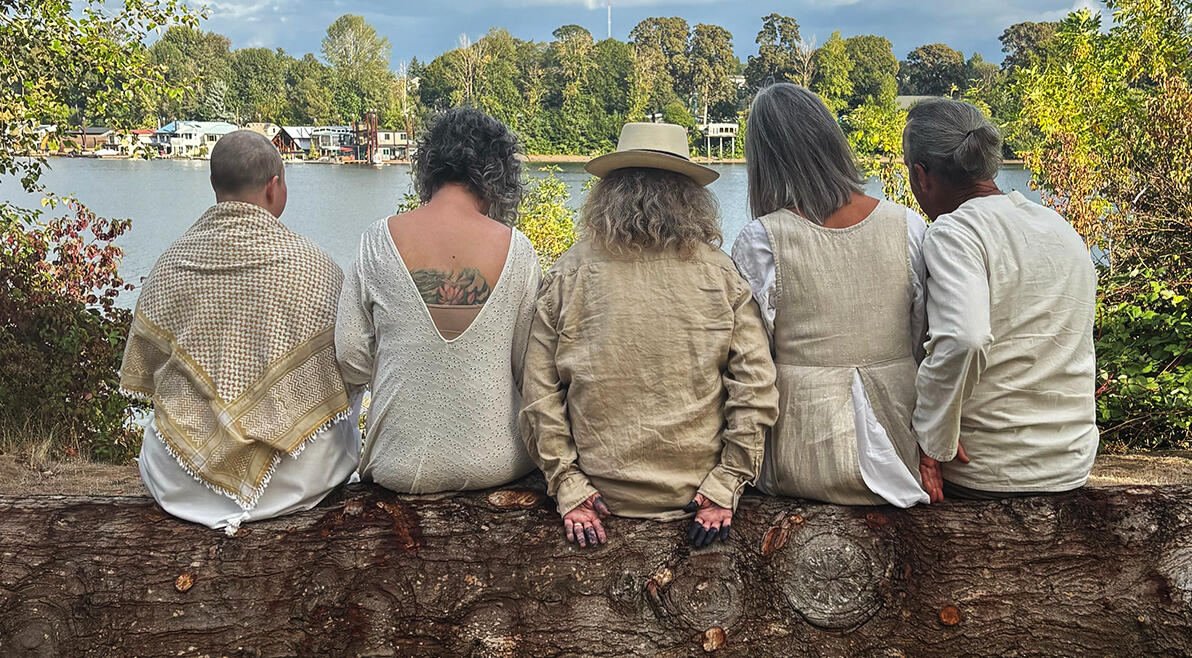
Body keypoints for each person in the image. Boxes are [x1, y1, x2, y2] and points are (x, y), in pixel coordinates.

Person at [519, 122, 779, 549]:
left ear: (609, 193)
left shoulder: (569, 272)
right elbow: (755, 386)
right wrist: (725, 485)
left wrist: (569, 486)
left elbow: (538, 392)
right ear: (690, 198)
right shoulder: (721, 275)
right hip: (697, 492)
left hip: (598, 492)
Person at [120, 130, 361, 535]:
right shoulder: (316, 267)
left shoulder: (170, 264)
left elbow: (149, 369)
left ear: (214, 183)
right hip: (296, 482)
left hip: (178, 482)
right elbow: (353, 367)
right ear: (274, 187)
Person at [732, 83, 930, 508]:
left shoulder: (761, 239)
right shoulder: (908, 226)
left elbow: (752, 359)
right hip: (899, 448)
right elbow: (920, 336)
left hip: (800, 457)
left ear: (765, 160)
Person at [335, 107, 539, 494]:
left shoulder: (377, 241)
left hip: (398, 465)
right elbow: (529, 367)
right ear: (499, 176)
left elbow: (351, 358)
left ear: (429, 168)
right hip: (498, 462)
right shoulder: (519, 250)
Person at [904, 99, 1098, 501]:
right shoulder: (1058, 227)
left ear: (921, 176)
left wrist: (932, 439)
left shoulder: (955, 231)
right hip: (1071, 462)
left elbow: (964, 339)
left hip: (991, 469)